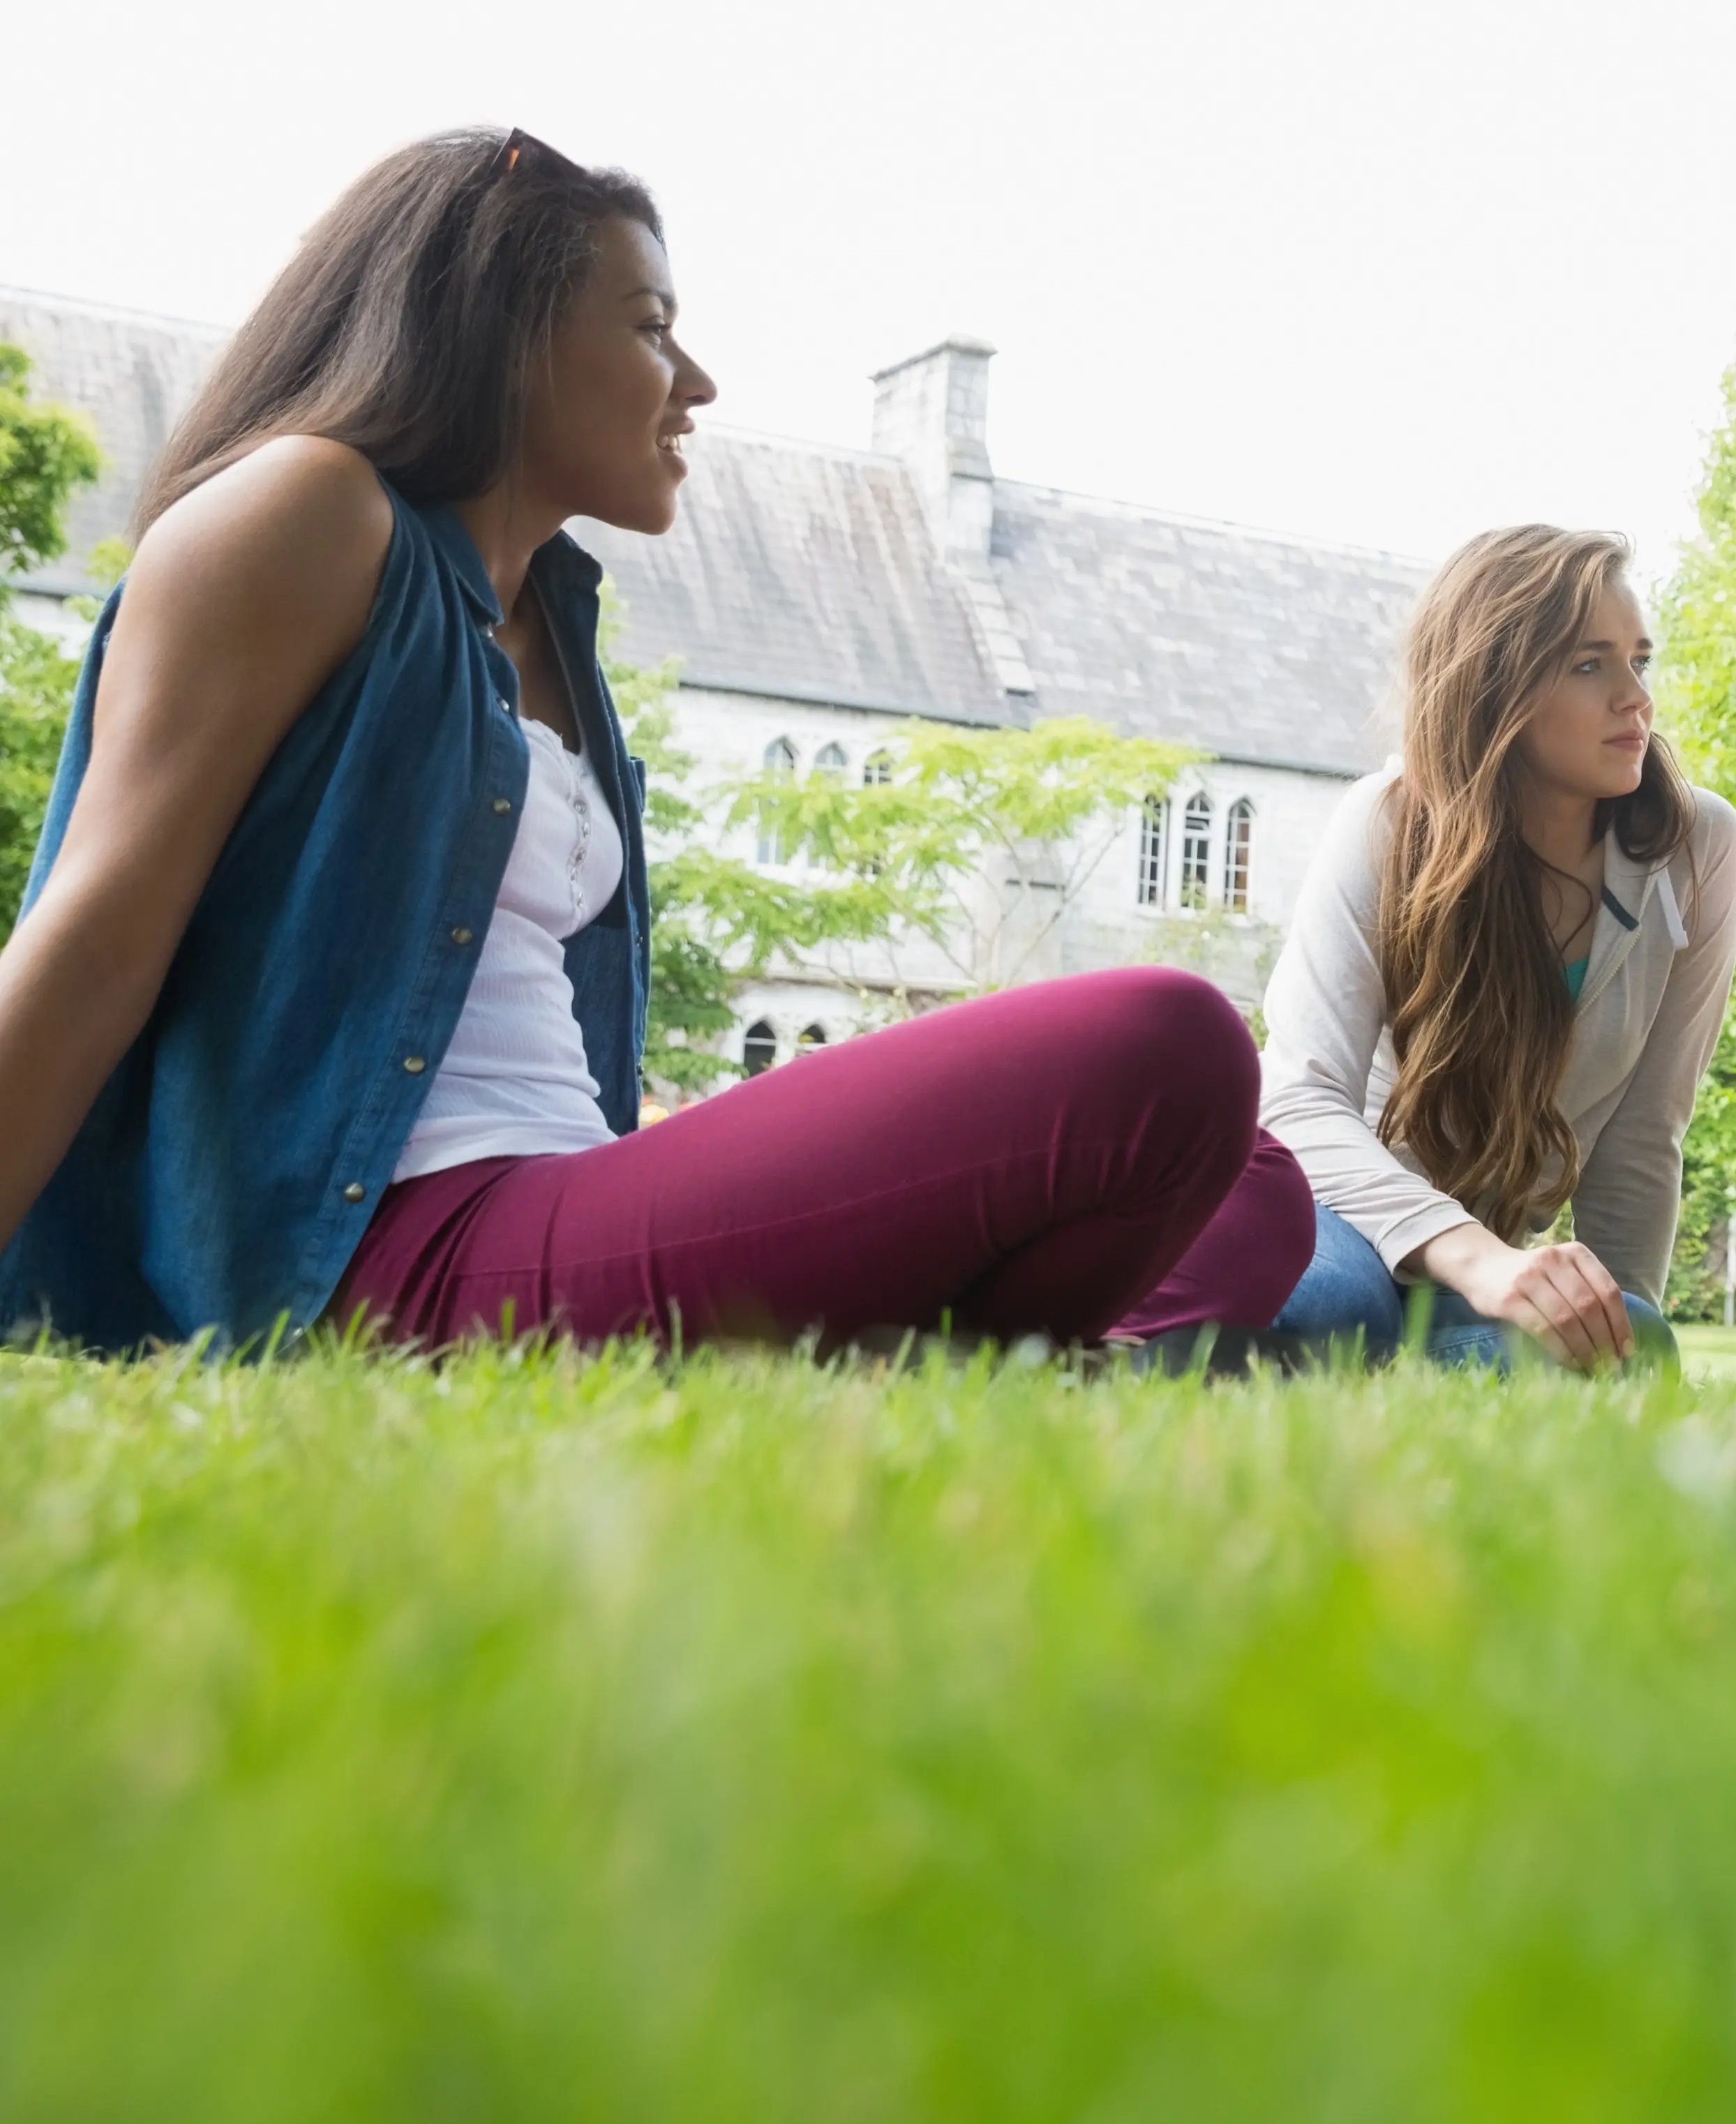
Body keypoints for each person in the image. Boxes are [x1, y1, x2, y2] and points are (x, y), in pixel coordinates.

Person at [0, 129, 1312, 1352]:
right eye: (650, 327)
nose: (697, 382)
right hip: (393, 1248)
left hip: (562, 1192)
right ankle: (937, 1360)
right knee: (1169, 1043)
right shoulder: (309, 509)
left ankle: (901, 1363)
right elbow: (97, 935)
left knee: (1253, 1175)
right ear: (506, 331)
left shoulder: (550, 623)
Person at [1136, 525, 1736, 1370]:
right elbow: (1301, 1102)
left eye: (1639, 661)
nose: (1635, 698)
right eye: (1589, 665)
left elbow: (1645, 1132)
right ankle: (1155, 1339)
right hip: (1330, 1209)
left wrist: (1612, 1327)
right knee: (1334, 1305)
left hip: (1475, 1276)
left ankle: (1368, 1363)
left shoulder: (1696, 844)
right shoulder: (1385, 821)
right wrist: (1478, 1257)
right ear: (1497, 685)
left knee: (1635, 1339)